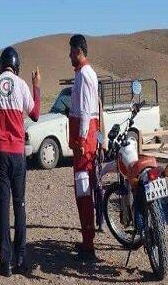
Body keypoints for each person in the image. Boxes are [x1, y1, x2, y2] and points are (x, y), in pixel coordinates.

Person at [0, 46, 41, 277]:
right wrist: (36, 85)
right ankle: (21, 257)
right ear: (16, 66)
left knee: (3, 206)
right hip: (17, 155)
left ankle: (5, 263)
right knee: (20, 205)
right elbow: (35, 114)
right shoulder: (22, 85)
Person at [68, 34, 99, 261]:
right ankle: (86, 237)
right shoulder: (81, 74)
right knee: (83, 190)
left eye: (71, 51)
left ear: (79, 51)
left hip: (84, 143)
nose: (69, 55)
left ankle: (88, 243)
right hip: (85, 140)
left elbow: (88, 110)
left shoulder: (86, 75)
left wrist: (81, 139)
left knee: (84, 189)